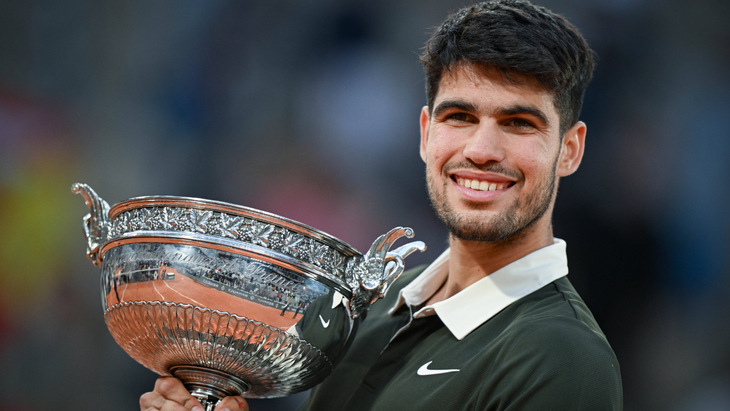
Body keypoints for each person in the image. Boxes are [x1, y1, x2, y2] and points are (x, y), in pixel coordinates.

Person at [139, 1, 623, 410]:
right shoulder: (368, 308)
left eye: (518, 123)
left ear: (570, 150)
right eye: (460, 116)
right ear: (425, 134)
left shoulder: (563, 358)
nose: (481, 150)